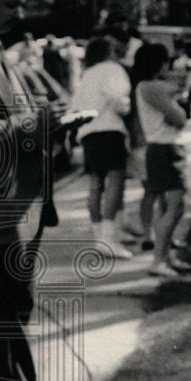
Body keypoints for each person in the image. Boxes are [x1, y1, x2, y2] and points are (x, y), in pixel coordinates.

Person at [0, 0, 78, 381]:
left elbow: (10, 116)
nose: (19, 14)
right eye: (11, 3)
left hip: (3, 209)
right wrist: (25, 127)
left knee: (11, 311)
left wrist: (45, 121)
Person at [70, 35, 134, 259]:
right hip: (109, 128)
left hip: (88, 131)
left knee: (95, 184)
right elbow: (119, 99)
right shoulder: (112, 69)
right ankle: (109, 239)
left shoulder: (87, 74)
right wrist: (126, 108)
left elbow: (75, 106)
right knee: (116, 181)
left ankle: (99, 236)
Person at [133, 43, 191, 278]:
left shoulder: (147, 86)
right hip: (165, 148)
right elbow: (180, 117)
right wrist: (177, 111)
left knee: (168, 206)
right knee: (176, 206)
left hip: (161, 147)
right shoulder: (152, 87)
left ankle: (166, 256)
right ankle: (159, 260)